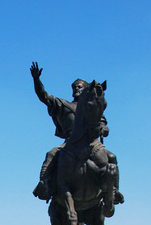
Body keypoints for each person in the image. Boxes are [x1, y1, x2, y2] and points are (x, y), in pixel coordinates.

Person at [30, 63, 123, 215]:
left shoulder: (91, 107)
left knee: (112, 157)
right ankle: (45, 185)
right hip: (69, 142)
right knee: (51, 154)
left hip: (92, 143)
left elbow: (102, 121)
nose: (77, 89)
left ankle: (113, 192)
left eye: (80, 87)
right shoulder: (63, 105)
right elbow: (43, 96)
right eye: (75, 87)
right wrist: (36, 79)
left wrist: (104, 128)